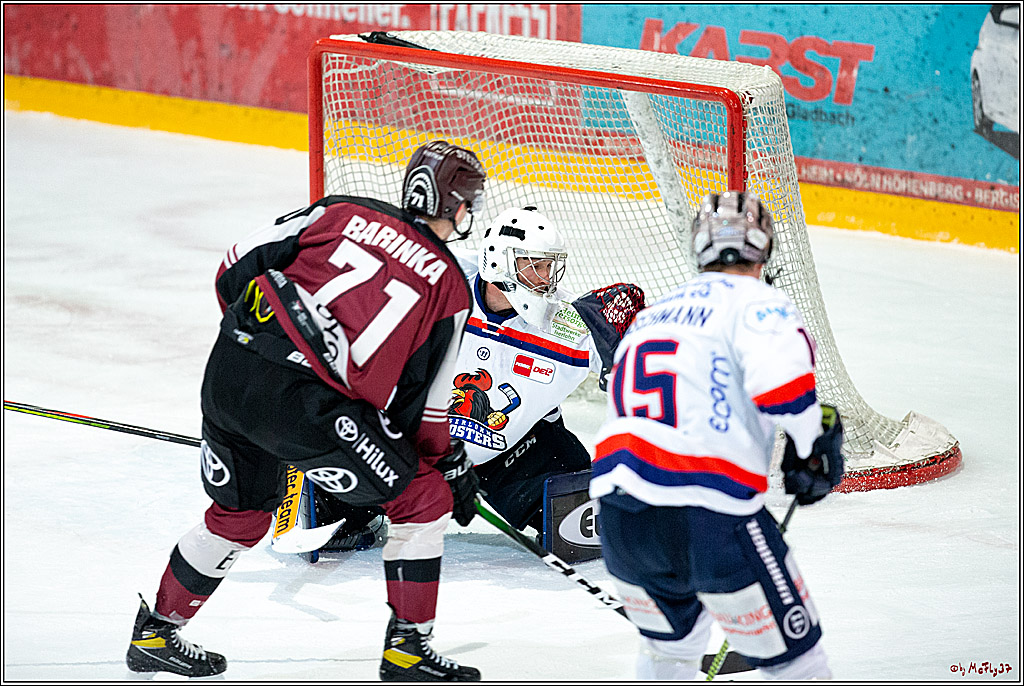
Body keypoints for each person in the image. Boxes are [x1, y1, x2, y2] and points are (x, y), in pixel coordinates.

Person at [125, 140, 487, 681]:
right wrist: (445, 466)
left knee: (242, 513)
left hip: (229, 373)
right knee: (422, 498)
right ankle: (409, 649)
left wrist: (259, 343)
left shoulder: (338, 210)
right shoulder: (451, 287)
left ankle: (155, 631)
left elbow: (231, 268)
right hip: (307, 406)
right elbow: (425, 411)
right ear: (458, 206)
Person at [590, 191, 844, 680]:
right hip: (708, 516)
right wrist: (812, 445)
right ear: (763, 247)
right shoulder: (759, 301)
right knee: (800, 662)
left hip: (621, 517)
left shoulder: (651, 316)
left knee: (670, 654)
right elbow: (785, 391)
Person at [447, 206, 644, 535]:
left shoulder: (566, 323)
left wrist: (631, 339)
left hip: (516, 455)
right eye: (535, 266)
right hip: (423, 453)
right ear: (499, 262)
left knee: (592, 530)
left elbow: (639, 370)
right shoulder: (441, 296)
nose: (545, 278)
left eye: (548, 267)